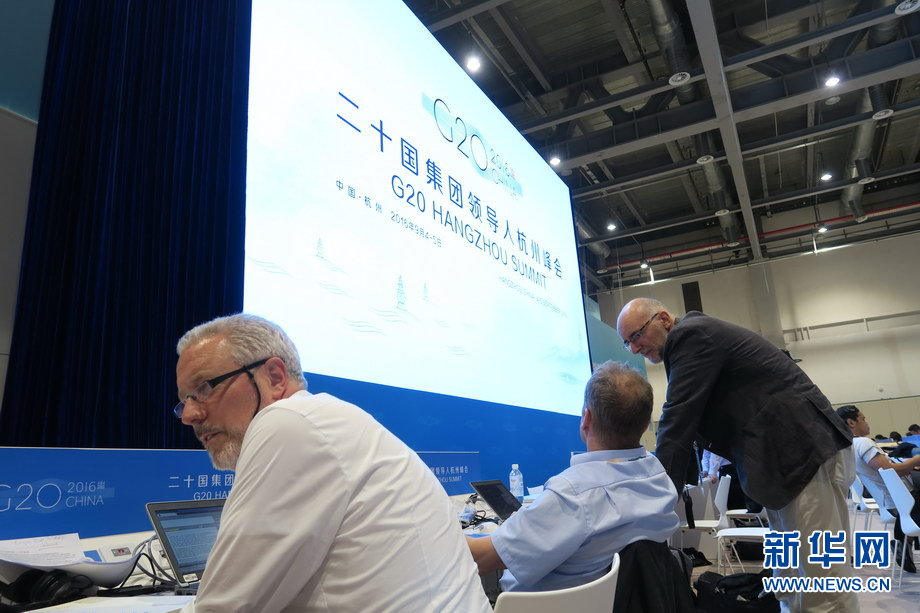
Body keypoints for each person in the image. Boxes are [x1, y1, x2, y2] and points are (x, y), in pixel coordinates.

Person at [172, 314, 490, 612]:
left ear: (274, 377)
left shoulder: (288, 421)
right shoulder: (330, 420)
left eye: (205, 388)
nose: (189, 415)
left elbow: (223, 606)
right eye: (184, 400)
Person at [616, 298, 855, 613]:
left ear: (663, 318)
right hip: (784, 466)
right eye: (627, 343)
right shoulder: (693, 338)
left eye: (636, 335)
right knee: (790, 580)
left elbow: (678, 417)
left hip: (802, 455)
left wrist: (656, 498)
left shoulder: (691, 335)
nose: (634, 348)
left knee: (820, 582)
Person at [466, 361, 680, 593]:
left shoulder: (574, 493)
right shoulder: (658, 476)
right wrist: (533, 522)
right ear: (646, 424)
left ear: (586, 419)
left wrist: (443, 526)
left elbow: (481, 559)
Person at [837, 405, 920, 572]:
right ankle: (904, 538)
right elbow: (889, 470)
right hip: (902, 499)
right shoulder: (863, 443)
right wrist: (916, 460)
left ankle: (905, 540)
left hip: (892, 500)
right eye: (863, 419)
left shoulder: (846, 447)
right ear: (851, 422)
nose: (867, 423)